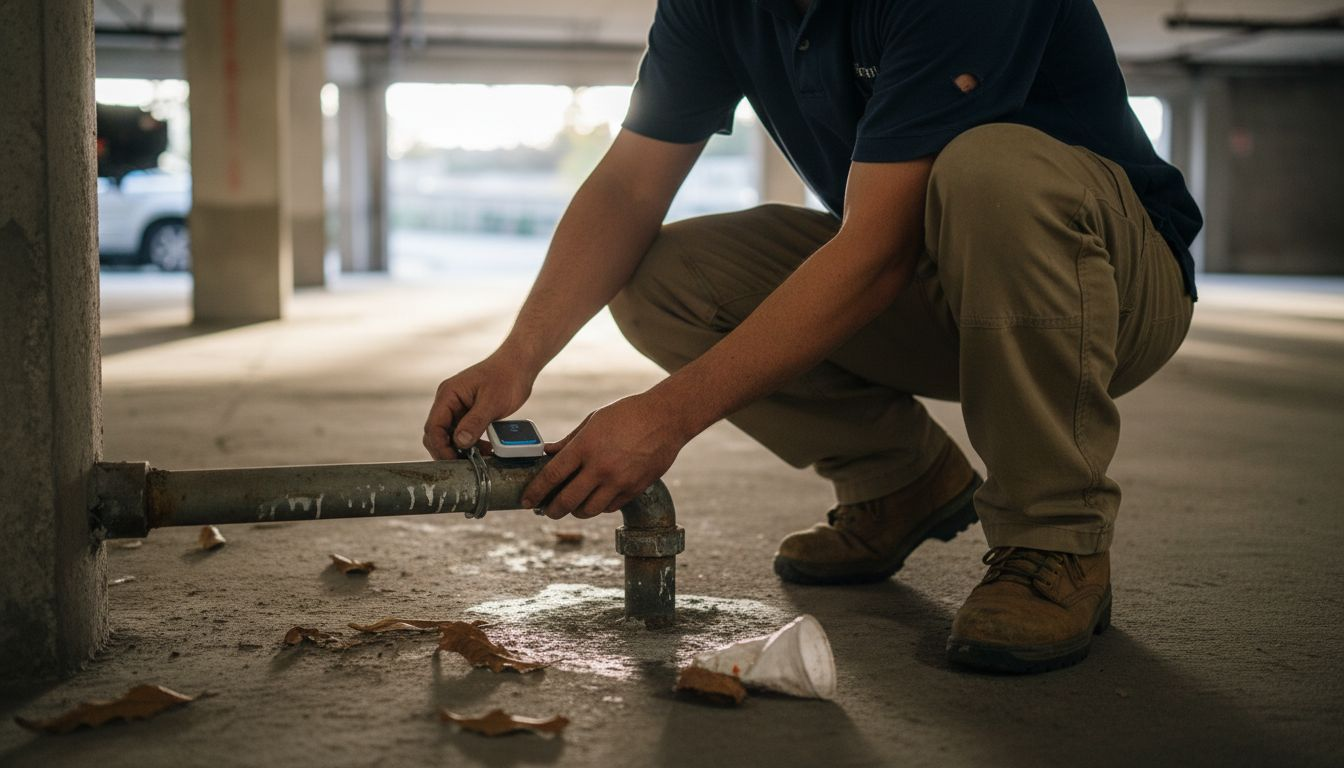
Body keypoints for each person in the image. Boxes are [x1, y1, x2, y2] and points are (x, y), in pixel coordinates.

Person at [424, 0, 1201, 674]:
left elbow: (875, 254)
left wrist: (666, 416)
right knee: (667, 278)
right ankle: (899, 482)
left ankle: (1055, 542)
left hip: (1103, 289)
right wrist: (516, 356)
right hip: (933, 283)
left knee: (991, 168)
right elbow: (631, 185)